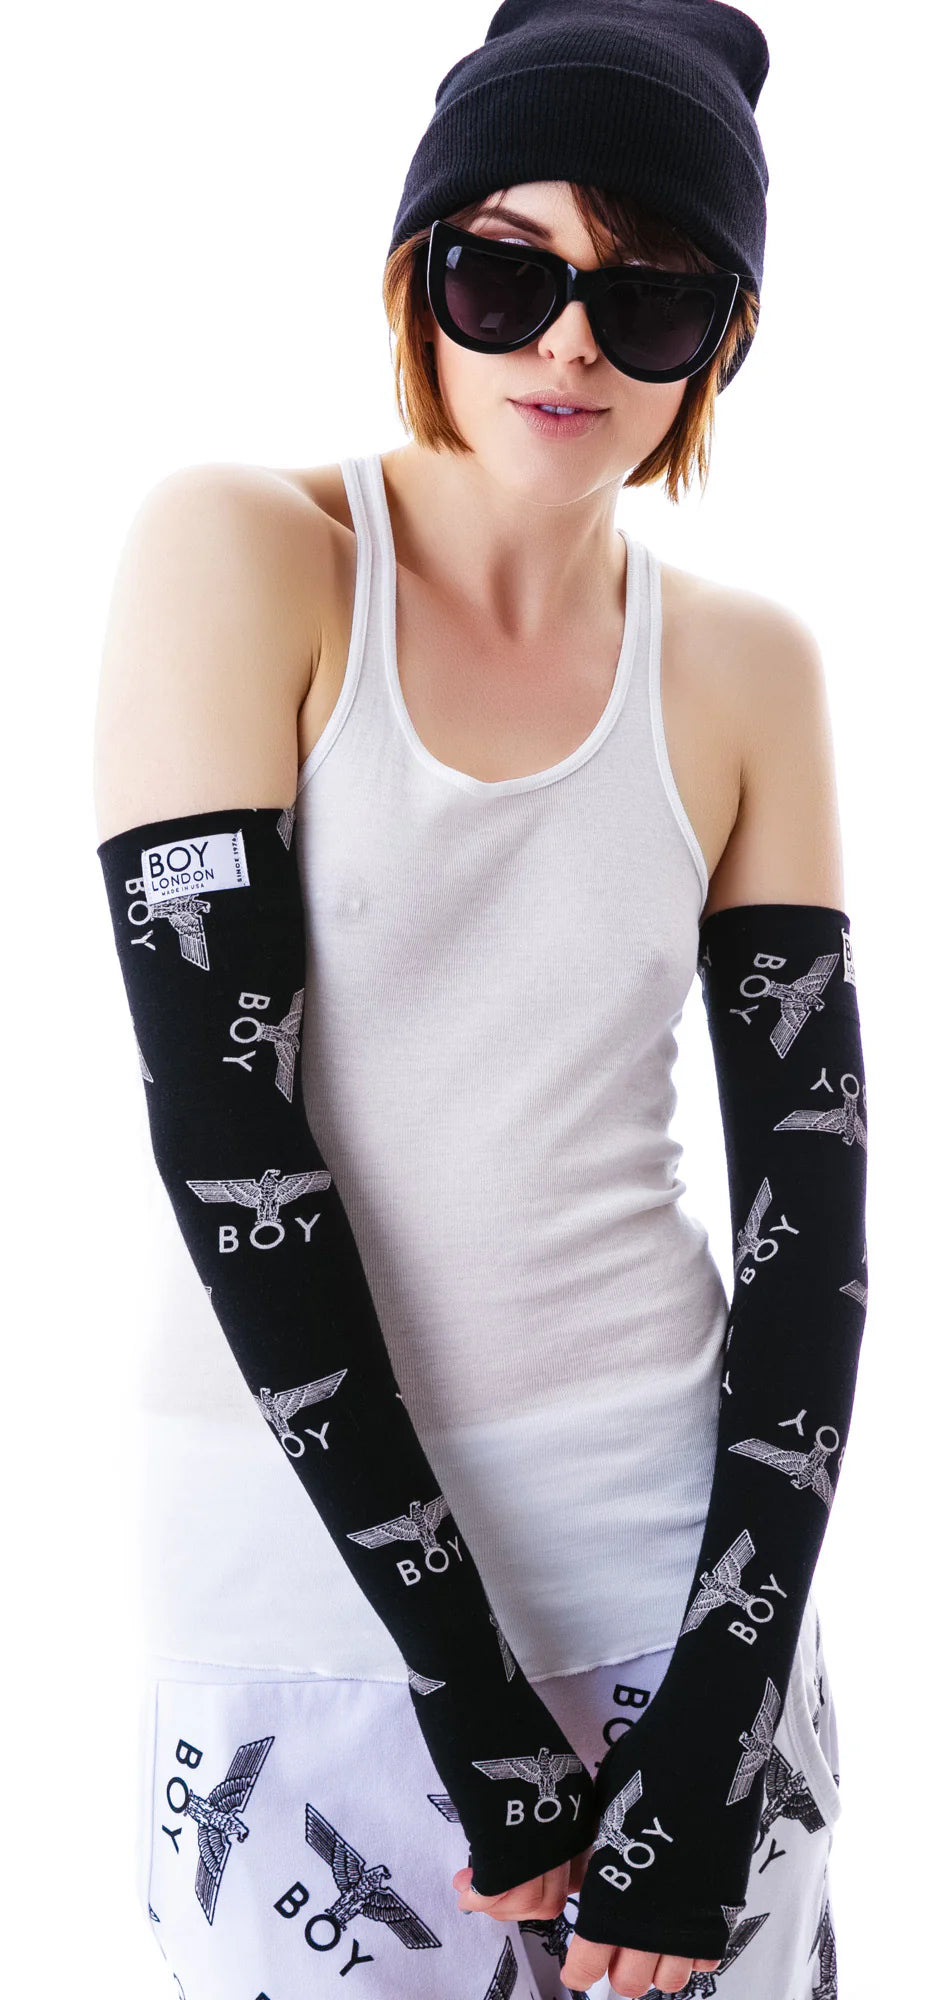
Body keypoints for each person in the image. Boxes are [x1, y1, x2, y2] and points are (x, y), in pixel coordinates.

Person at [93, 7, 861, 1998]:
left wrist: (722, 1725)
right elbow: (227, 1132)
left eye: (651, 295)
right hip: (299, 1596)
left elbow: (809, 1213)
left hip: (672, 1577)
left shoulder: (748, 669)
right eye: (507, 272)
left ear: (723, 343)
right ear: (415, 275)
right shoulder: (244, 554)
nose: (569, 346)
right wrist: (472, 1695)